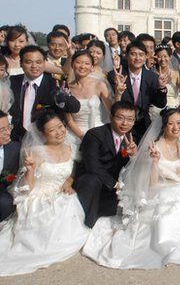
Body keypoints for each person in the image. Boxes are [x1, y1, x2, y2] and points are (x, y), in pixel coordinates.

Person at [82, 108, 180, 269]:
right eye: (171, 124)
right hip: (160, 189)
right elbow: (151, 184)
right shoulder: (155, 146)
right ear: (164, 126)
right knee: (174, 205)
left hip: (179, 186)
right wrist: (155, 163)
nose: (176, 127)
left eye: (179, 123)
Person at [0, 112, 89, 276]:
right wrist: (31, 170)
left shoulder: (71, 146)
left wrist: (68, 182)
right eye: (52, 130)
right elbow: (26, 187)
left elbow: (70, 173)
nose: (59, 132)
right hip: (38, 197)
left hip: (60, 194)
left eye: (61, 127)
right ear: (42, 134)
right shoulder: (36, 152)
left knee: (69, 205)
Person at [73, 101, 139, 228]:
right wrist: (115, 184)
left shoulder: (132, 138)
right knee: (91, 180)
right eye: (120, 118)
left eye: (130, 119)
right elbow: (93, 167)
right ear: (111, 117)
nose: (125, 123)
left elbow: (130, 167)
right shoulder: (94, 135)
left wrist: (132, 156)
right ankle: (86, 224)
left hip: (114, 186)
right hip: (93, 183)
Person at [8, 45, 81, 142]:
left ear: (44, 63)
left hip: (44, 139)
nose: (34, 66)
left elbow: (75, 107)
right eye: (29, 62)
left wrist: (63, 97)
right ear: (21, 63)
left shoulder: (55, 84)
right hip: (15, 137)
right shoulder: (11, 82)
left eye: (38, 62)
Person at [107, 41, 168, 140]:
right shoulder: (115, 75)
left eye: (141, 55)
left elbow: (160, 104)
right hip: (122, 124)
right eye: (133, 54)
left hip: (144, 125)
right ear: (126, 56)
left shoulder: (152, 77)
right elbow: (112, 105)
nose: (137, 58)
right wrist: (118, 90)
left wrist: (161, 87)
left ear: (145, 57)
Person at [65, 51, 113, 142]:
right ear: (72, 64)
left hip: (98, 132)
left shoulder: (99, 85)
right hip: (75, 134)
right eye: (78, 62)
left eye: (87, 63)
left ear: (91, 67)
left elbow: (112, 111)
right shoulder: (66, 89)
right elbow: (68, 119)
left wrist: (119, 93)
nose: (82, 66)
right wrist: (83, 136)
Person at [149, 44, 180, 120]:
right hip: (157, 109)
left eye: (165, 56)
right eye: (159, 56)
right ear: (156, 58)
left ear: (170, 57)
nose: (162, 59)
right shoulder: (152, 74)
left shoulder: (176, 73)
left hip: (174, 109)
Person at [0, 111, 19, 222]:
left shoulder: (14, 148)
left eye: (9, 127)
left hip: (3, 191)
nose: (8, 133)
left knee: (7, 202)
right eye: (2, 130)